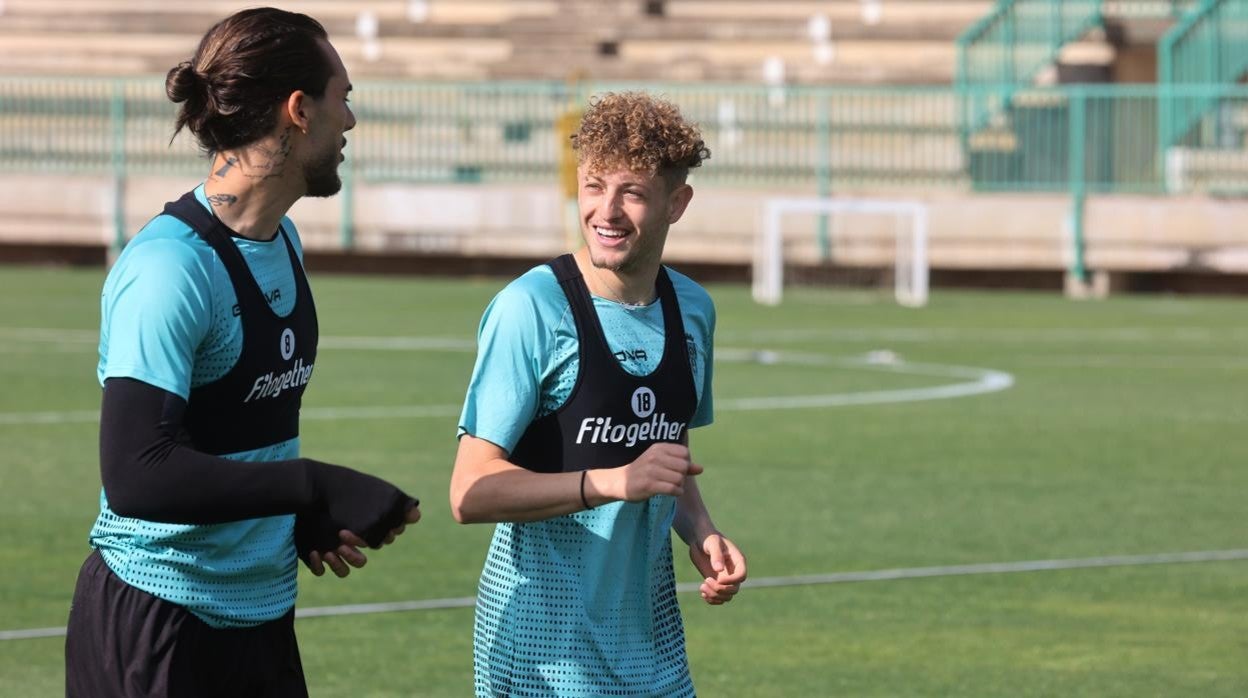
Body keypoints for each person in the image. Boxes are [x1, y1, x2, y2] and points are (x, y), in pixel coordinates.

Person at [64, 8, 420, 697]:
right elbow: (139, 475)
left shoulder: (281, 241)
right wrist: (312, 485)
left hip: (259, 615)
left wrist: (295, 518)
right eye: (342, 99)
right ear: (298, 110)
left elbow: (236, 438)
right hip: (159, 621)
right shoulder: (170, 269)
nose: (349, 121)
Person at [451, 91, 747, 697]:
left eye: (632, 192)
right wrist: (608, 481)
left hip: (652, 648)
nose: (605, 211)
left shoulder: (692, 310)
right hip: (541, 655)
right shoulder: (530, 308)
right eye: (593, 186)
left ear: (677, 202)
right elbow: (469, 491)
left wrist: (702, 530)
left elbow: (666, 455)